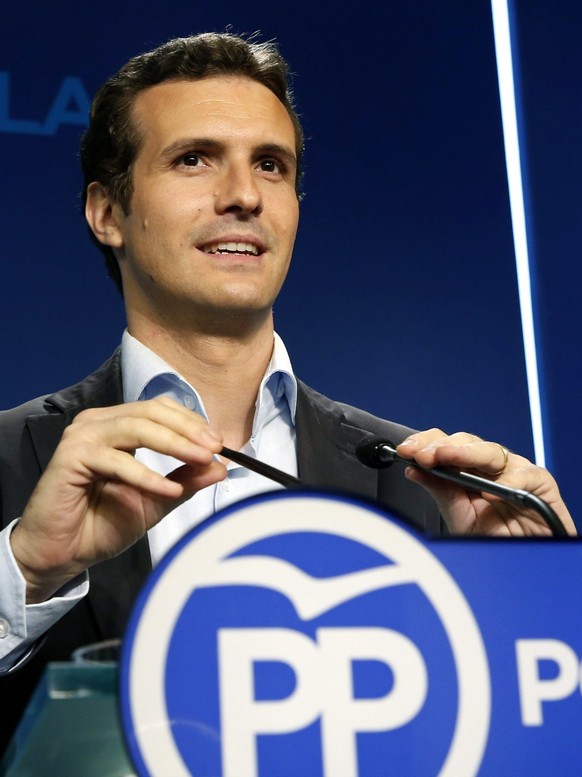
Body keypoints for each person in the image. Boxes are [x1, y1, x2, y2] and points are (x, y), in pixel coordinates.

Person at [0, 32, 575, 753]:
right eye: (194, 158)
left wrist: (538, 603)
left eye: (271, 165)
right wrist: (25, 569)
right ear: (107, 213)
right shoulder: (9, 461)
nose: (243, 195)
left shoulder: (423, 485)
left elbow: (508, 747)